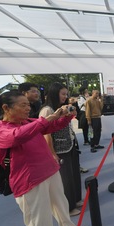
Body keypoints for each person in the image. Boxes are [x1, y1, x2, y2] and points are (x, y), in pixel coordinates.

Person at [0, 91, 89, 226]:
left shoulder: (29, 121)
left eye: (28, 104)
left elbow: (50, 127)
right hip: (29, 180)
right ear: (6, 108)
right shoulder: (1, 129)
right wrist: (48, 119)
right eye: (23, 105)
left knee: (61, 204)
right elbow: (17, 137)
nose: (28, 108)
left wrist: (66, 116)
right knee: (38, 221)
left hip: (49, 171)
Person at [39, 83, 83, 217]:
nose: (65, 97)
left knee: (74, 174)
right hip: (59, 149)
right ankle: (69, 207)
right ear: (54, 93)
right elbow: (46, 134)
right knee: (66, 179)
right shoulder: (47, 110)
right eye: (62, 94)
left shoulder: (61, 108)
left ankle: (75, 199)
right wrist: (52, 153)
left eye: (66, 94)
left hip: (69, 145)